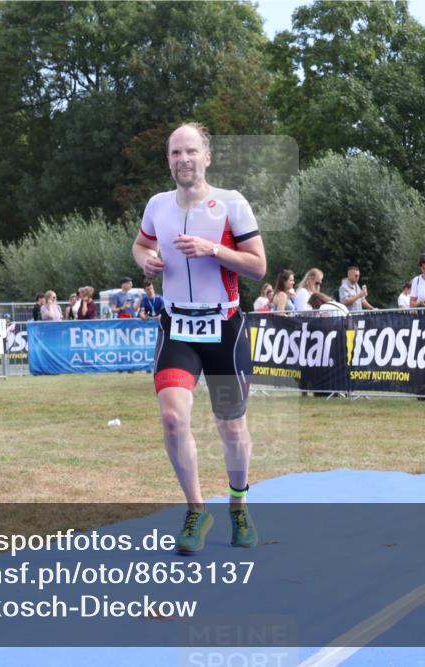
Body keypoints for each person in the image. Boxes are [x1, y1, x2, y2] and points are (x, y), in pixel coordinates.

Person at [131, 122, 265, 553]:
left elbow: (258, 266)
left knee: (231, 427)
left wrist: (214, 250)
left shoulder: (230, 204)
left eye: (190, 151)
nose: (182, 160)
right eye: (174, 153)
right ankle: (195, 509)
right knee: (172, 419)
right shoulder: (157, 205)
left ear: (207, 156)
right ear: (168, 160)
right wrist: (146, 260)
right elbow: (140, 245)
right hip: (178, 328)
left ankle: (239, 506)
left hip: (223, 327)